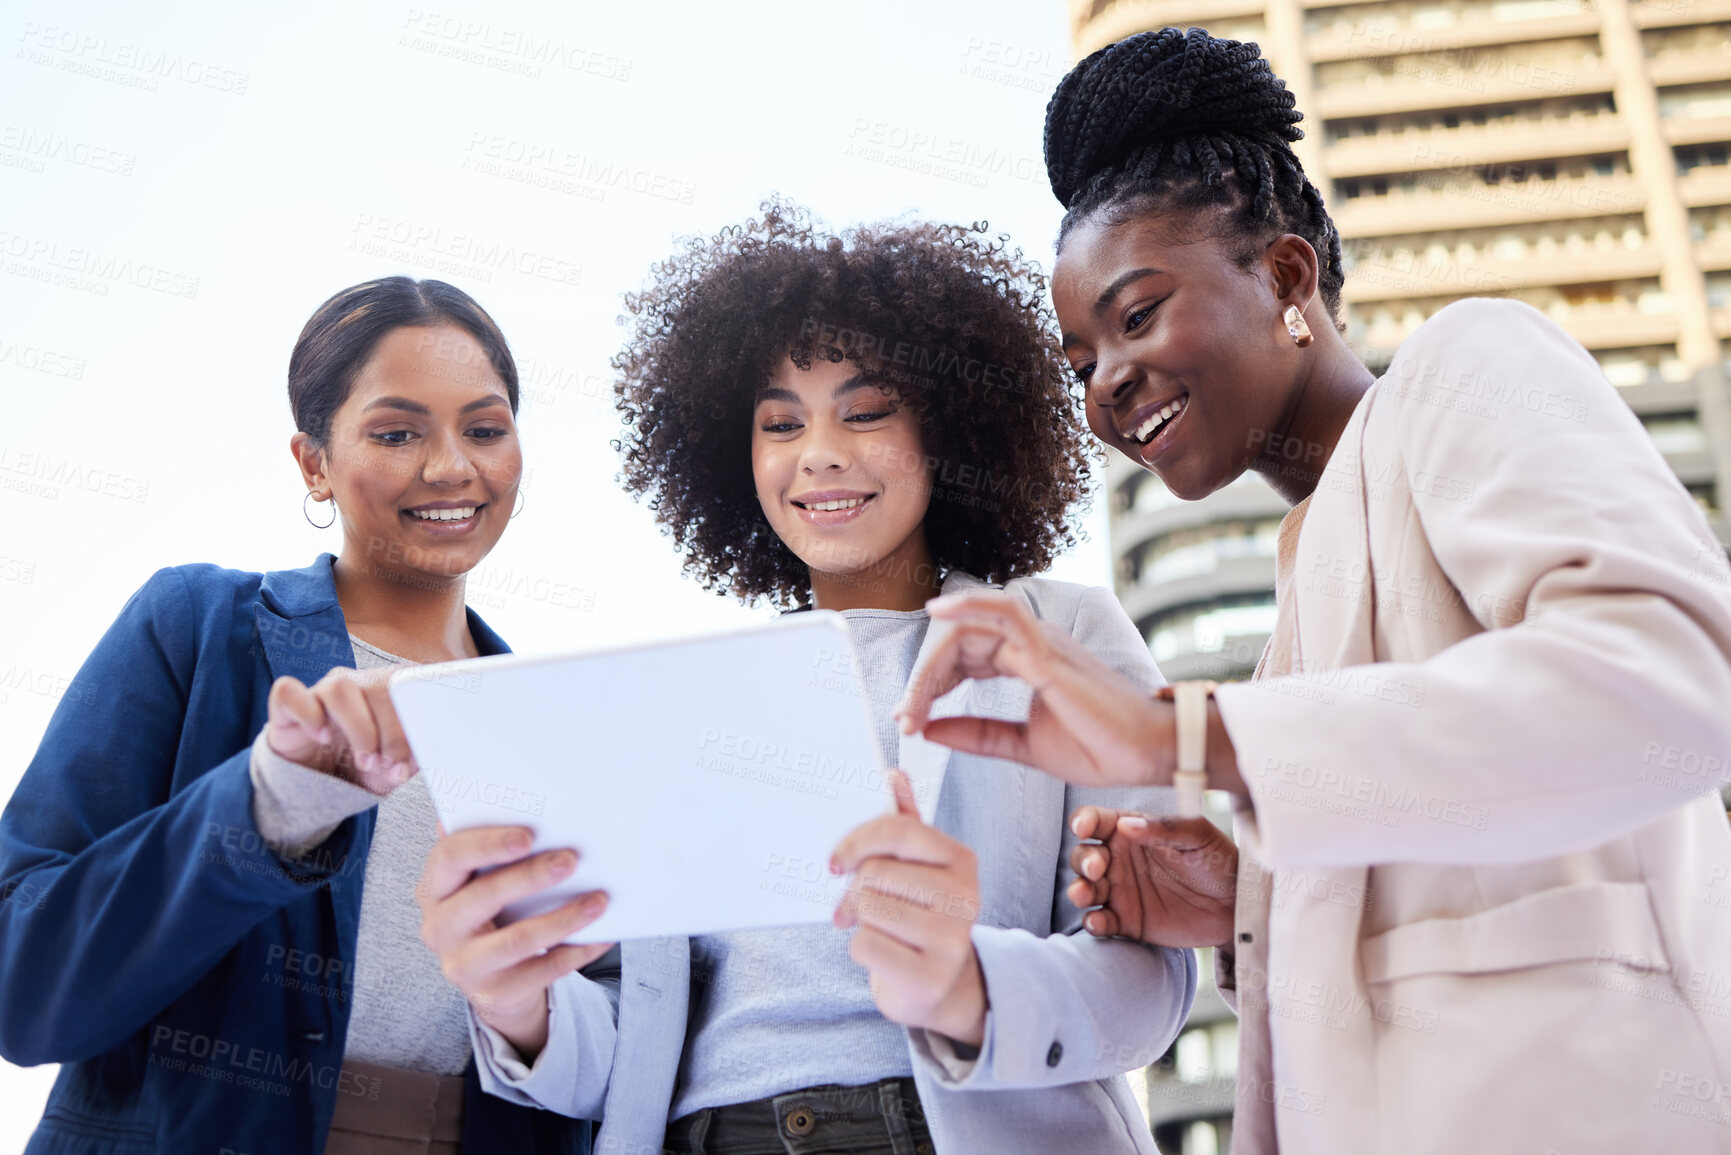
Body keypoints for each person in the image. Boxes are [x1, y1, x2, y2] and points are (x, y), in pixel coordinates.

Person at [893, 27, 1731, 1155]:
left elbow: (1675, 680)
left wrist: (1172, 734)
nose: (1108, 386)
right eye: (1082, 361)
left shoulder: (1469, 363)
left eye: (1137, 316)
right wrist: (1245, 902)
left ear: (1286, 276)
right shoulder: (1304, 591)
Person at [415, 201, 1197, 1155]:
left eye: (864, 413)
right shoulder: (691, 696)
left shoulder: (1060, 634)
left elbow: (1149, 982)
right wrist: (516, 1001)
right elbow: (624, 1052)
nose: (820, 451)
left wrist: (965, 980)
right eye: (780, 423)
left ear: (946, 435)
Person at [0, 277, 597, 1155]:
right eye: (396, 432)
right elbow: (23, 983)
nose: (450, 467)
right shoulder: (198, 626)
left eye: (484, 428)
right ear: (312, 461)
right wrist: (265, 809)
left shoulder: (557, 723)